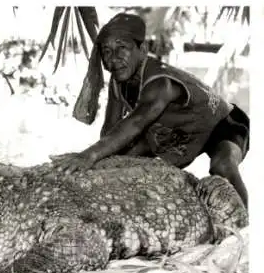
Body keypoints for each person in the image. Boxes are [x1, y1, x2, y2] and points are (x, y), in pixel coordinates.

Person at [51, 13, 250, 207]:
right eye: (107, 51)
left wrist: (88, 156)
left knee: (221, 166)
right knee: (119, 159)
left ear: (143, 49)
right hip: (181, 129)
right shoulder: (118, 81)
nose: (114, 58)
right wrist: (101, 157)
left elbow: (136, 122)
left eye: (122, 48)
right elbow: (110, 131)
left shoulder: (160, 83)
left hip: (223, 123)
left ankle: (246, 225)